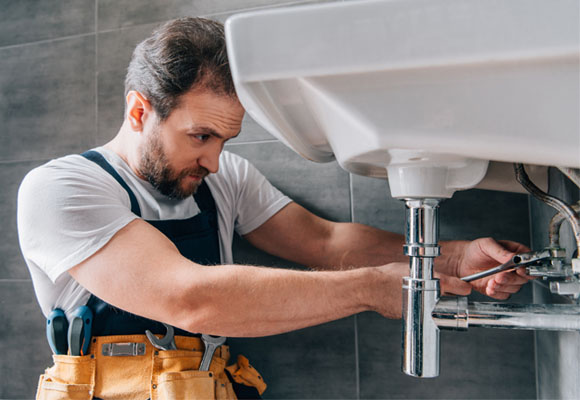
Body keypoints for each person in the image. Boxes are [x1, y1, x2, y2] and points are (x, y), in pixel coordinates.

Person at [17, 17, 533, 400]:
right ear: (139, 111)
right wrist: (373, 288)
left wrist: (453, 257)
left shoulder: (225, 178)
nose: (216, 161)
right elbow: (188, 299)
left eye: (226, 139)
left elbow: (325, 242)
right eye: (201, 136)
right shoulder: (61, 189)